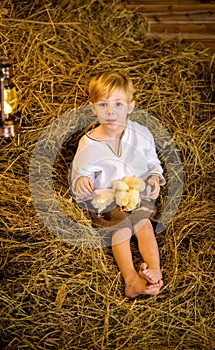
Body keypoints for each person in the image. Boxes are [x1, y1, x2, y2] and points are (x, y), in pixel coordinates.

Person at [71, 71, 165, 298]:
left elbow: (153, 162)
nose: (111, 111)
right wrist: (81, 182)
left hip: (136, 191)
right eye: (103, 104)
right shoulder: (89, 143)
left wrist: (154, 176)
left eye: (118, 104)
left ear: (130, 107)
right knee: (120, 230)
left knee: (144, 226)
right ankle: (131, 278)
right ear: (93, 108)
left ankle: (155, 270)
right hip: (106, 197)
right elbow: (79, 174)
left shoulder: (141, 134)